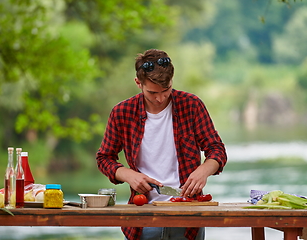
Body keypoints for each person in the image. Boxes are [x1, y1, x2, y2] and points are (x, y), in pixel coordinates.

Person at [96, 49, 227, 240]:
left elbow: (217, 149)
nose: (160, 98)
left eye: (166, 90)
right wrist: (128, 175)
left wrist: (204, 169)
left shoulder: (191, 105)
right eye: (152, 92)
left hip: (189, 218)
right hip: (142, 218)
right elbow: (104, 158)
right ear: (138, 83)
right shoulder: (122, 112)